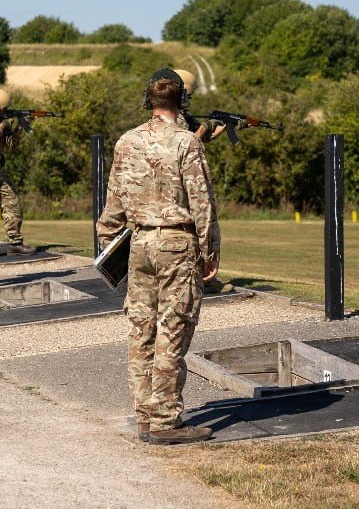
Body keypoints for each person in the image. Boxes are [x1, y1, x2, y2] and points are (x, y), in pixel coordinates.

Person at [97, 68, 220, 445]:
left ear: (148, 100)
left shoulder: (126, 141)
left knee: (141, 330)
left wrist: (107, 242)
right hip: (177, 245)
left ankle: (145, 416)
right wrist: (209, 250)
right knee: (173, 329)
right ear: (181, 101)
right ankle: (166, 419)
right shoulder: (187, 143)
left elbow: (113, 204)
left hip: (138, 245)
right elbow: (202, 204)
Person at [175, 68, 238, 295]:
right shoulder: (177, 121)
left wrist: (226, 125)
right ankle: (205, 279)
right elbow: (188, 142)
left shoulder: (181, 117)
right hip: (184, 180)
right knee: (197, 228)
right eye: (188, 96)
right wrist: (206, 126)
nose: (189, 101)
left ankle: (203, 276)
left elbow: (206, 137)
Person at [0, 88, 36, 255]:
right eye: (4, 108)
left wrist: (19, 127)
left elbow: (11, 145)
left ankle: (15, 242)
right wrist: (4, 125)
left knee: (13, 204)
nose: (6, 111)